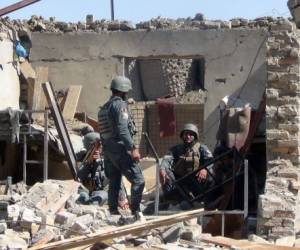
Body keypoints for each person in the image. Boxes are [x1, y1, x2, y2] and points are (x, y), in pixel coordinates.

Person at [98, 76, 145, 218]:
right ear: (124, 90)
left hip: (109, 150)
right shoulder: (120, 105)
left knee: (115, 180)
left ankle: (113, 211)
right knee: (139, 180)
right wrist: (133, 148)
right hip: (121, 149)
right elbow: (123, 129)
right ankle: (136, 211)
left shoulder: (104, 107)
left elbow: (103, 132)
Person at [159, 123, 214, 207]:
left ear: (195, 136)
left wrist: (205, 169)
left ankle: (207, 199)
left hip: (197, 181)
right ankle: (169, 199)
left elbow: (211, 161)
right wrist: (162, 170)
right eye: (186, 134)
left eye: (191, 134)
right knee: (165, 172)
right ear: (182, 136)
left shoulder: (202, 148)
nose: (188, 136)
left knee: (211, 174)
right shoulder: (176, 149)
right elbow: (166, 160)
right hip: (181, 182)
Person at [77, 132, 129, 208]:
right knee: (82, 198)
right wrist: (89, 162)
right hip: (87, 191)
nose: (99, 148)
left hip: (103, 191)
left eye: (100, 146)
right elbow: (80, 176)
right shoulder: (82, 159)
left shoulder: (108, 159)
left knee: (100, 197)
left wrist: (122, 198)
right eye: (96, 146)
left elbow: (118, 180)